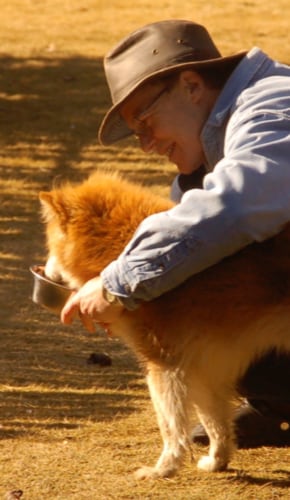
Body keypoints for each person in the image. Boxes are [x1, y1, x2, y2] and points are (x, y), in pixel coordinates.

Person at [61, 20, 290, 447]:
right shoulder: (208, 149)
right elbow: (193, 238)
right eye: (136, 133)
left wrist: (117, 285)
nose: (145, 143)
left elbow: (237, 207)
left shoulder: (273, 106)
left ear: (190, 85)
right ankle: (278, 404)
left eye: (144, 120)